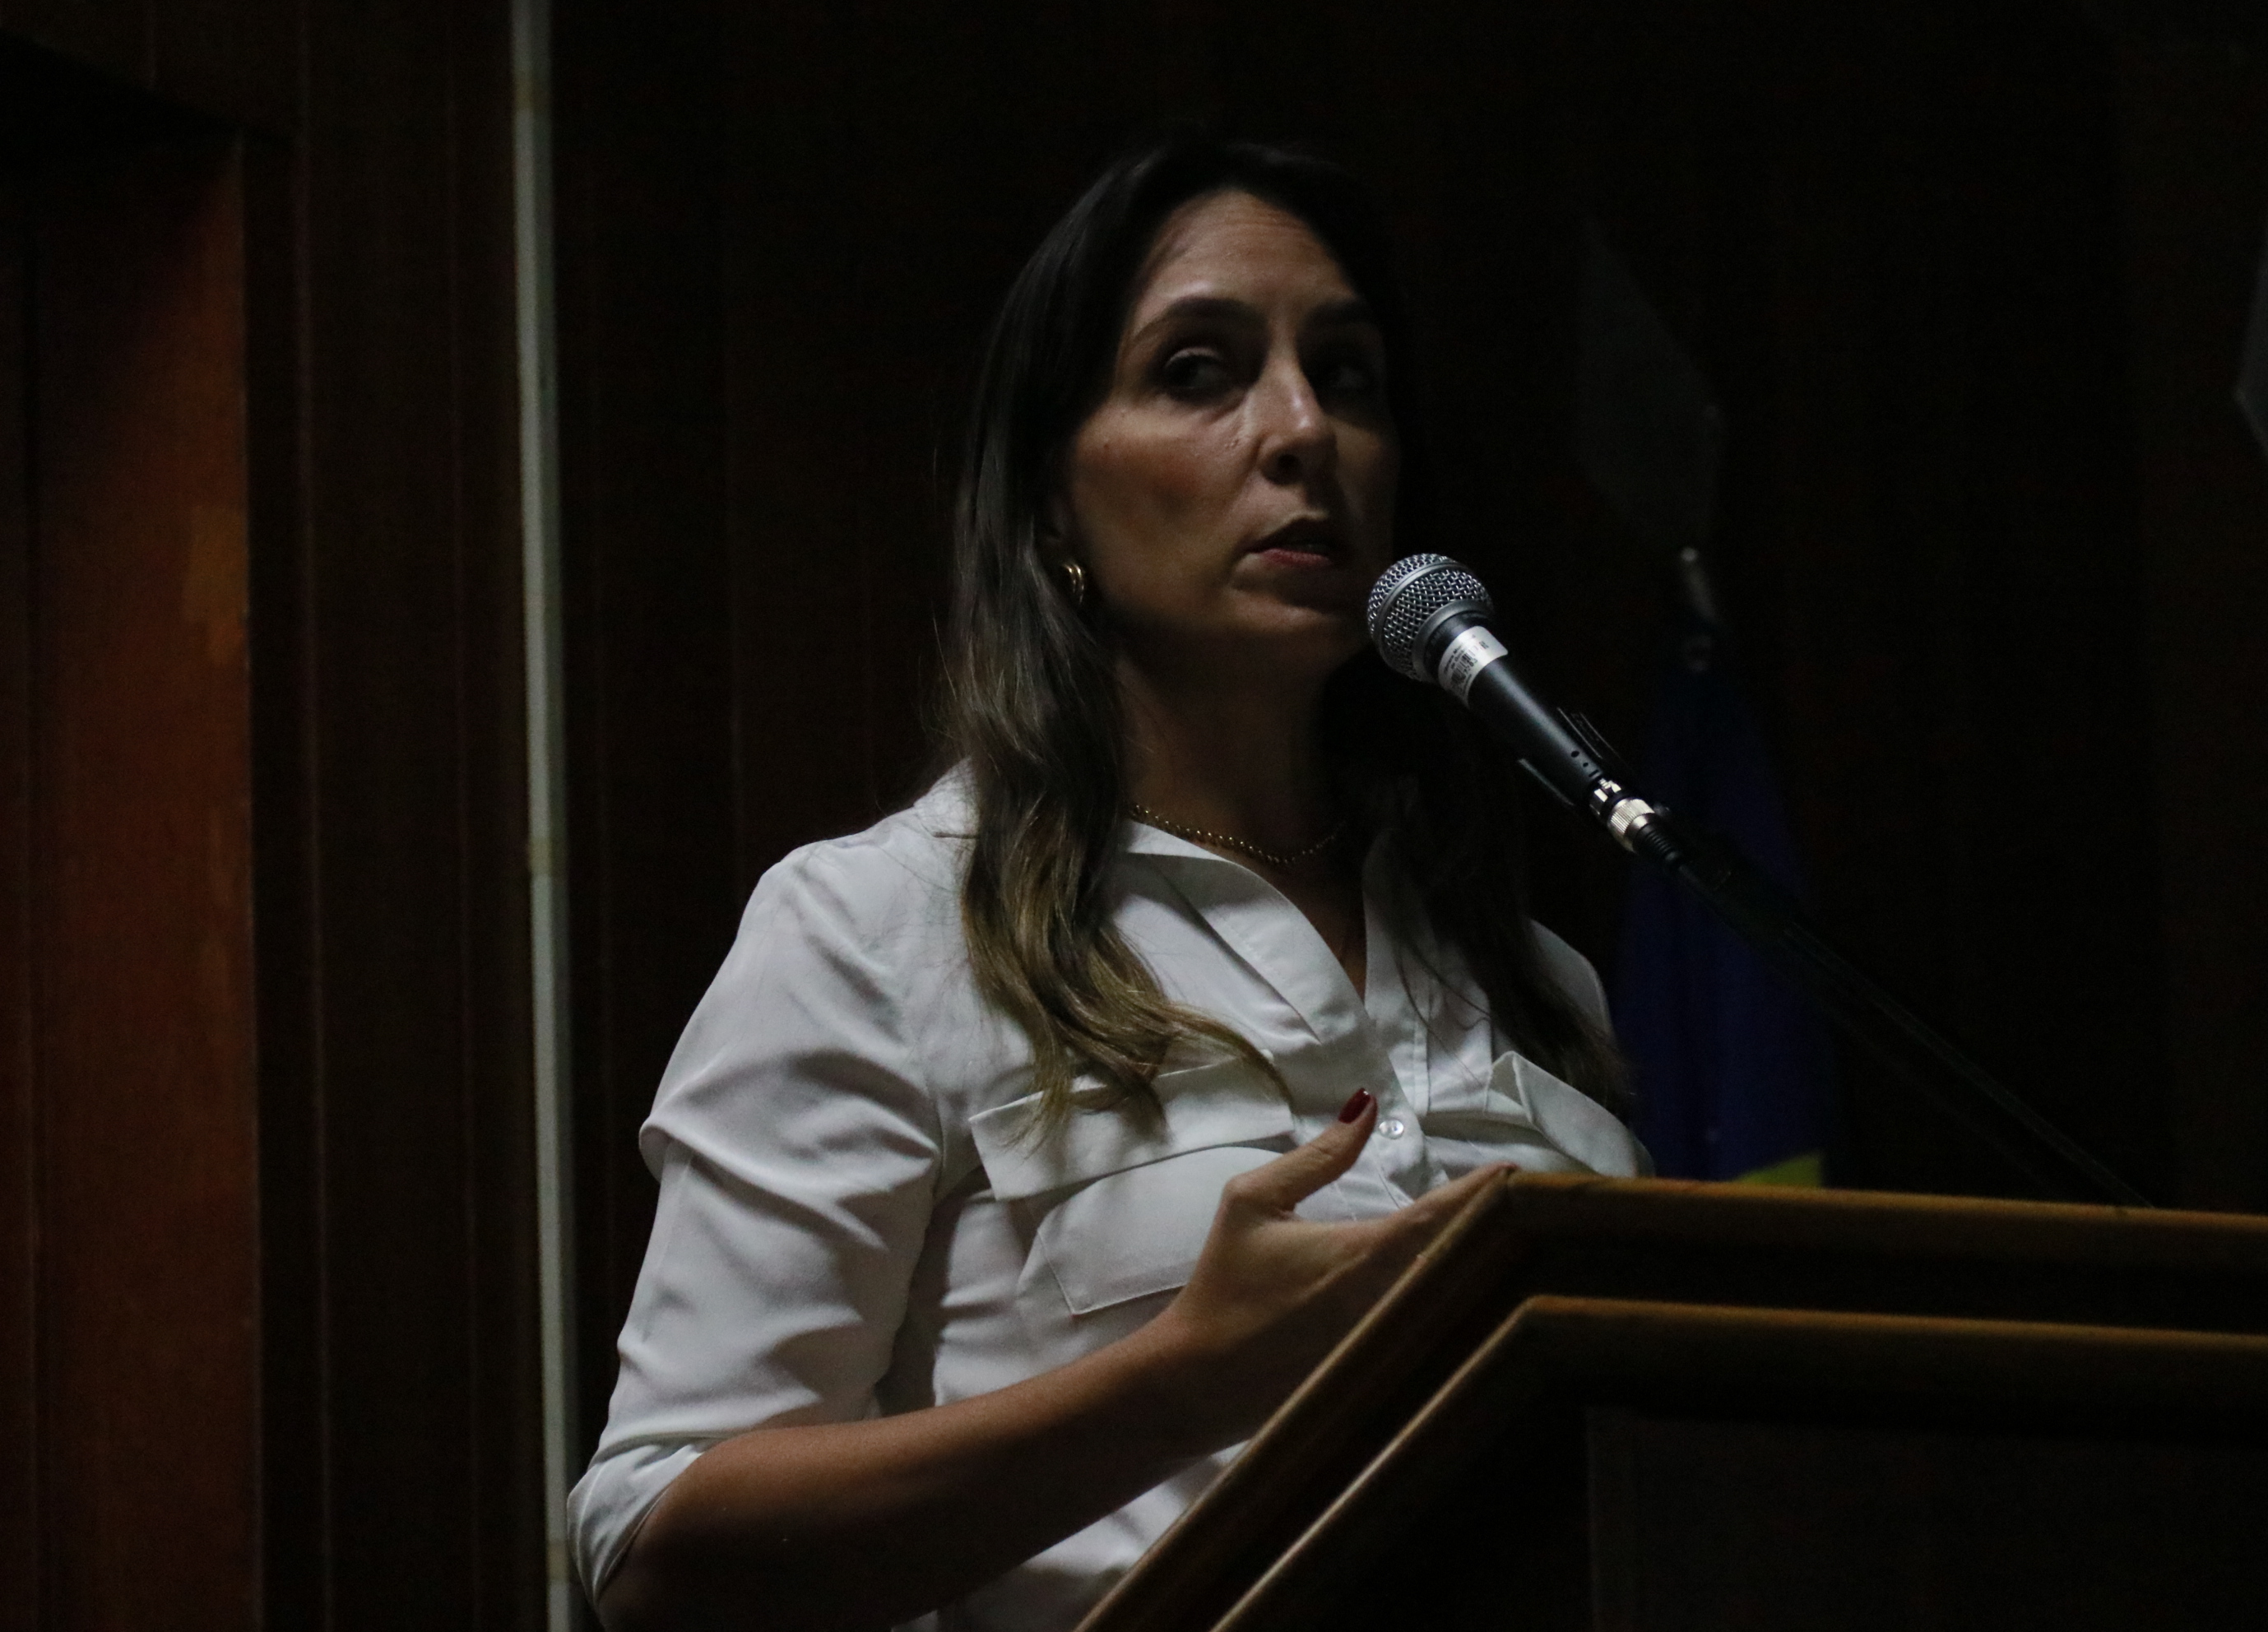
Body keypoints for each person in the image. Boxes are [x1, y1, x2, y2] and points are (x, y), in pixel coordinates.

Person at [573, 132, 1647, 1632]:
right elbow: (652, 1556)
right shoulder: (879, 928)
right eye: (1200, 372)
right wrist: (1180, 1385)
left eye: (1347, 377)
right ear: (1051, 505)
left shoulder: (1535, 975)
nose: (1303, 430)